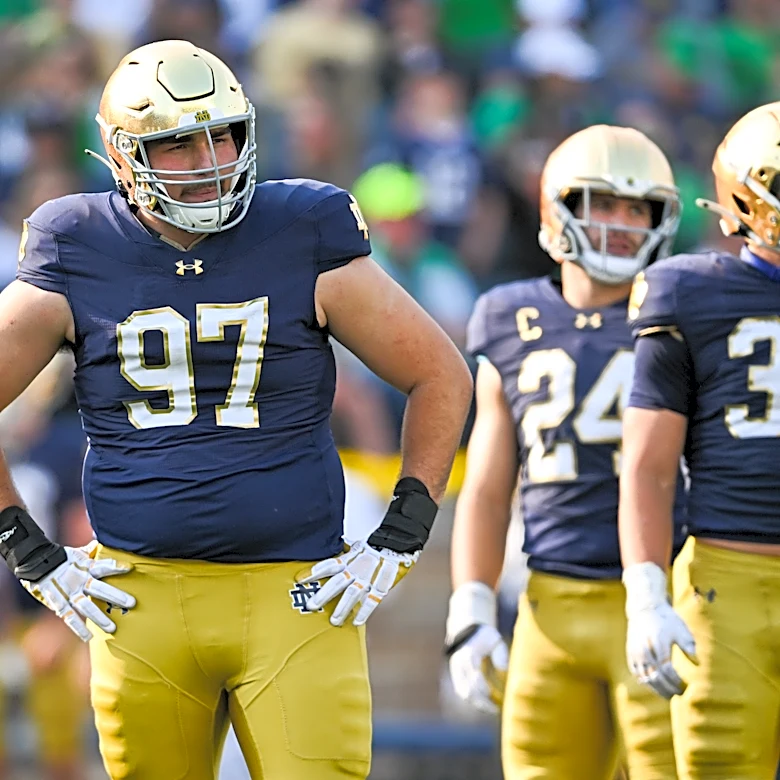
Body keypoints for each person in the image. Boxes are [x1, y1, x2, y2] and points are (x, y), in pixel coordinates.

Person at [0, 39, 473, 780]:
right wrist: (25, 547)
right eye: (179, 144)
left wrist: (403, 532)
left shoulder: (300, 227)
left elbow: (440, 374)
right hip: (141, 602)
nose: (210, 157)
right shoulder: (77, 242)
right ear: (123, 156)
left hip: (296, 597)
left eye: (223, 133)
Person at [445, 124, 684, 779]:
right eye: (602, 203)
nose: (620, 224)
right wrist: (470, 603)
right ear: (558, 209)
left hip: (661, 601)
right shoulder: (509, 315)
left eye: (637, 208)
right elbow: (490, 485)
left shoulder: (683, 311)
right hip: (549, 605)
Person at [621, 100, 780, 780]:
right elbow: (650, 468)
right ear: (746, 193)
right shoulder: (689, 292)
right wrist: (646, 594)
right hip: (729, 582)